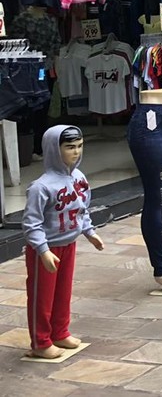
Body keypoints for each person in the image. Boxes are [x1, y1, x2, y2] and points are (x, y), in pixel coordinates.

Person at [22, 125, 104, 358]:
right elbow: (31, 223)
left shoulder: (79, 178)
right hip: (46, 249)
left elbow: (82, 209)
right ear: (53, 149)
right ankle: (40, 341)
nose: (76, 152)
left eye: (79, 146)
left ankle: (60, 331)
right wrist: (43, 249)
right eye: (69, 147)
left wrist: (89, 232)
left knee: (63, 291)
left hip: (69, 243)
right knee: (42, 295)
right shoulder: (41, 187)